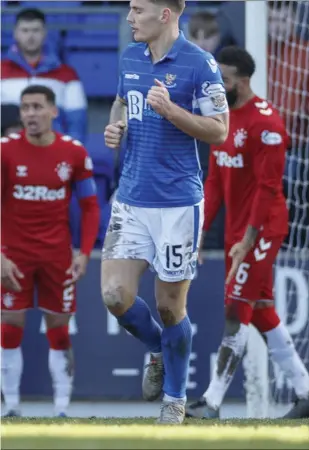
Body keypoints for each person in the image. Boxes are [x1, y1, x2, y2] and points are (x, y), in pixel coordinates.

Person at [102, 0, 229, 424]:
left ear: (165, 14)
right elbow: (122, 100)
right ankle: (157, 348)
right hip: (131, 199)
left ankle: (174, 401)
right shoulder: (129, 55)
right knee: (114, 296)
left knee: (172, 307)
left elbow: (220, 130)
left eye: (137, 10)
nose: (129, 18)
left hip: (177, 203)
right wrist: (115, 125)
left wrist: (171, 110)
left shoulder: (200, 63)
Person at [185, 46, 309, 420]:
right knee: (261, 312)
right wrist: (199, 233)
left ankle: (212, 402)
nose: (216, 88)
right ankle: (305, 392)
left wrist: (248, 239)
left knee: (235, 311)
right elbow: (215, 182)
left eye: (222, 80)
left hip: (262, 229)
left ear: (243, 80)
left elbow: (268, 188)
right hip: (236, 231)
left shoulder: (268, 124)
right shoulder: (219, 119)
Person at [1, 85, 100, 418]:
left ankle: (62, 409)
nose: (30, 114)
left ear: (54, 112)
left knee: (59, 329)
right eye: (25, 108)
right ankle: (11, 406)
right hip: (12, 255)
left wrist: (84, 252)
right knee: (9, 326)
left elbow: (89, 206)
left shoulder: (72, 153)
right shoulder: (5, 151)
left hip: (57, 255)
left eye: (37, 107)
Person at [1, 8, 87, 143]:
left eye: (35, 30)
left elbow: (76, 123)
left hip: (52, 153)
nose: (30, 36)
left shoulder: (67, 75)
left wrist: (71, 155)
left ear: (44, 33)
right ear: (15, 34)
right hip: (7, 154)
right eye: (25, 30)